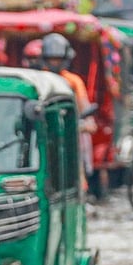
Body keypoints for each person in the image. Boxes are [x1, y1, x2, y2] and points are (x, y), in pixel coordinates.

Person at [36, 33, 96, 186]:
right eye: (51, 59)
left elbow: (90, 121)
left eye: (58, 59)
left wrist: (78, 125)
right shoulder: (38, 80)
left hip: (69, 142)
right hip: (44, 142)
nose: (54, 63)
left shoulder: (74, 81)